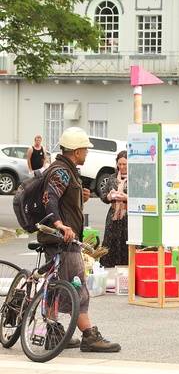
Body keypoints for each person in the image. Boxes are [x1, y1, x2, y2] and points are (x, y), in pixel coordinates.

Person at [38, 127, 121, 353]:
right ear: (76, 150)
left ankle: (53, 332)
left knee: (54, 287)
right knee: (78, 286)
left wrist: (79, 196)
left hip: (57, 239)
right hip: (63, 239)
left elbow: (61, 197)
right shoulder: (62, 172)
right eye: (85, 149)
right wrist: (58, 223)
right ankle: (89, 336)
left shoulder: (67, 169)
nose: (87, 153)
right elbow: (50, 198)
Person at [99, 150, 128, 268]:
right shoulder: (112, 178)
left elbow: (140, 198)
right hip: (113, 216)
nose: (121, 167)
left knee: (126, 245)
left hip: (127, 217)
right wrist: (109, 196)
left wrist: (126, 197)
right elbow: (103, 196)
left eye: (124, 164)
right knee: (110, 245)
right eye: (119, 164)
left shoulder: (135, 178)